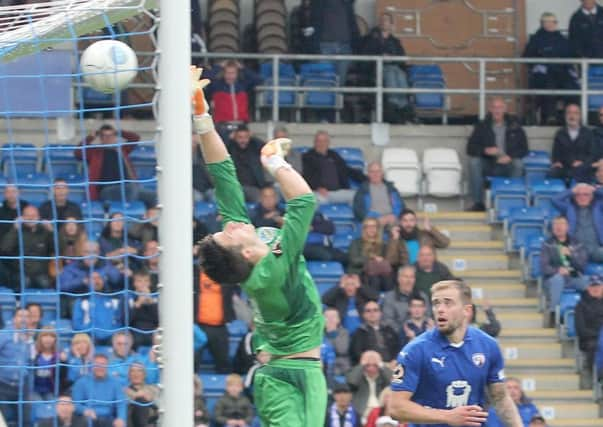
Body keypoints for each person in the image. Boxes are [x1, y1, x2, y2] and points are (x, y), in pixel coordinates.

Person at [193, 66, 327, 426]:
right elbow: (303, 201)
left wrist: (202, 118)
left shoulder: (251, 247)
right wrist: (273, 162)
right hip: (280, 378)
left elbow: (222, 172)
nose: (231, 225)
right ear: (248, 253)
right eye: (230, 233)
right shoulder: (272, 272)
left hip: (308, 369)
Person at [389, 280, 521, 427]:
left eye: (448, 303)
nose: (440, 309)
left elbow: (500, 397)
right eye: (436, 303)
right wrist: (448, 416)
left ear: (467, 311)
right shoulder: (415, 350)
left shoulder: (488, 346)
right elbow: (396, 407)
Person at [466, 97, 528, 211]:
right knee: (473, 162)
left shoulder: (515, 126)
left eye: (500, 107)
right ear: (490, 109)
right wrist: (485, 150)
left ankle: (511, 200)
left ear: (505, 109)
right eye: (494, 107)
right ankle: (478, 203)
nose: (497, 111)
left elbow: (524, 149)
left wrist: (510, 157)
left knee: (518, 164)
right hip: (489, 163)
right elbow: (470, 148)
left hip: (507, 164)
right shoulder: (482, 126)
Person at [75, 124, 155, 207]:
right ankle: (126, 212)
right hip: (106, 190)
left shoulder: (122, 150)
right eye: (105, 136)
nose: (108, 138)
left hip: (128, 188)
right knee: (131, 189)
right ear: (101, 138)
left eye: (111, 135)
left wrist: (119, 132)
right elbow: (78, 153)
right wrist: (91, 137)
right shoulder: (95, 152)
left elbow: (135, 138)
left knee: (153, 196)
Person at [522, 12, 578, 125]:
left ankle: (572, 117)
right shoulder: (536, 39)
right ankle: (550, 117)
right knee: (549, 85)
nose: (550, 24)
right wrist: (538, 66)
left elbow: (572, 56)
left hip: (562, 72)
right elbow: (527, 57)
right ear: (542, 23)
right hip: (544, 74)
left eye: (552, 22)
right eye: (546, 22)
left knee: (573, 87)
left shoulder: (562, 39)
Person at [361, 12, 412, 123]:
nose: (384, 22)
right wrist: (381, 56)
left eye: (387, 20)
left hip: (395, 67)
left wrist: (396, 59)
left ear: (391, 24)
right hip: (377, 68)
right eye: (382, 20)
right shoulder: (371, 38)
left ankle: (403, 105)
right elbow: (366, 55)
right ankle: (394, 105)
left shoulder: (395, 41)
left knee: (401, 75)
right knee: (390, 72)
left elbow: (402, 58)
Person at [540, 216, 590, 314]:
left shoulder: (577, 243)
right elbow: (544, 267)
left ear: (567, 227)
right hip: (554, 278)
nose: (558, 227)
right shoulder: (547, 244)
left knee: (590, 281)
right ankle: (553, 313)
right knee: (558, 280)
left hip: (573, 276)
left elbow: (582, 265)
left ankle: (592, 311)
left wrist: (572, 255)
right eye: (556, 224)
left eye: (561, 224)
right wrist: (558, 270)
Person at [302, 130, 365, 204]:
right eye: (319, 141)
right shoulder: (307, 157)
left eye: (324, 141)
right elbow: (305, 176)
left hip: (337, 192)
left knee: (358, 196)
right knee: (312, 200)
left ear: (328, 143)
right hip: (318, 193)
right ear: (314, 143)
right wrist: (317, 187)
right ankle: (319, 216)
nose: (321, 144)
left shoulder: (334, 155)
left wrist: (368, 180)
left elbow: (348, 170)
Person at [1, 204, 54, 289]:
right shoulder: (17, 231)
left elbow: (57, 249)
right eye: (27, 216)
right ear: (22, 217)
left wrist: (51, 231)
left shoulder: (45, 232)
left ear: (38, 217)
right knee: (24, 282)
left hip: (41, 273)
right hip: (20, 273)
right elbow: (5, 248)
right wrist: (14, 229)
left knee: (45, 284)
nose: (30, 218)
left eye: (33, 216)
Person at [308, 0, 360, 85]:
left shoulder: (347, 3)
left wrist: (356, 48)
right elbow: (311, 24)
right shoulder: (318, 2)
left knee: (340, 83)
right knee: (325, 83)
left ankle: (337, 97)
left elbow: (352, 24)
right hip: (325, 47)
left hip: (345, 48)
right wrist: (313, 47)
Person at [196, 271, 235, 373]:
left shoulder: (226, 276)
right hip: (197, 326)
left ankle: (225, 387)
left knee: (223, 362)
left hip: (220, 327)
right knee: (191, 363)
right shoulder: (192, 275)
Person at [72, 353, 127, 427]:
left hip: (108, 419)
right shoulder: (81, 382)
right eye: (97, 364)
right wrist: (85, 410)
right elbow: (75, 404)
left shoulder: (115, 383)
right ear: (92, 366)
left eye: (103, 364)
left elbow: (121, 403)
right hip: (88, 417)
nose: (100, 367)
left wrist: (121, 418)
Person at [552, 184, 603, 262]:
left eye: (586, 194)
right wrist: (572, 191)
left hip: (596, 248)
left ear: (592, 197)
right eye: (578, 195)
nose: (582, 197)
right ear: (574, 197)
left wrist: (595, 190)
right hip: (576, 250)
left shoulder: (598, 207)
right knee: (559, 256)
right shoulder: (569, 208)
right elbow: (555, 200)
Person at [0, 309, 34, 426]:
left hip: (22, 386)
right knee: (4, 421)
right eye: (20, 316)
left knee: (26, 420)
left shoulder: (30, 338)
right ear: (14, 318)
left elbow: (31, 361)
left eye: (27, 316)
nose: (24, 319)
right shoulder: (3, 335)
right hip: (3, 385)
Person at [72, 271, 124, 345]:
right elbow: (77, 324)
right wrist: (91, 331)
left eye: (99, 278)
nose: (96, 281)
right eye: (93, 278)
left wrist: (109, 332)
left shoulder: (114, 299)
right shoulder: (82, 301)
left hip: (111, 336)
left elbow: (120, 322)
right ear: (87, 281)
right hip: (89, 336)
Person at [205, 60, 262, 128]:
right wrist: (219, 67)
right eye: (227, 73)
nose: (230, 76)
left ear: (237, 73)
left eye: (233, 73)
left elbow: (259, 80)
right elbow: (205, 78)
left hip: (241, 124)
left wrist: (242, 68)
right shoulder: (217, 86)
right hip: (221, 124)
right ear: (223, 73)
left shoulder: (243, 85)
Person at [547, 104, 595, 184]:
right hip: (564, 167)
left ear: (580, 116)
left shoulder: (588, 133)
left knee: (581, 173)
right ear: (565, 115)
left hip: (582, 167)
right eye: (569, 113)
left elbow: (592, 154)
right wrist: (556, 161)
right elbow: (555, 152)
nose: (572, 116)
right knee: (552, 173)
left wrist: (583, 162)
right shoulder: (560, 133)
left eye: (575, 113)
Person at [58, 240, 123, 295]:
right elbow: (62, 286)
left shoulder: (106, 265)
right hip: (78, 303)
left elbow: (118, 280)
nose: (91, 255)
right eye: (87, 252)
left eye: (94, 252)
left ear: (99, 253)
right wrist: (83, 281)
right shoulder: (71, 268)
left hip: (105, 301)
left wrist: (103, 280)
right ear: (81, 253)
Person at [348, 218, 394, 292]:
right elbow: (354, 260)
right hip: (361, 272)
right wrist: (371, 258)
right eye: (368, 226)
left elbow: (389, 260)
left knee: (388, 277)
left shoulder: (382, 244)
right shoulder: (356, 243)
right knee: (374, 279)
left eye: (374, 226)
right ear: (364, 229)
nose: (371, 229)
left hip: (380, 274)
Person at [346, 350, 393, 423]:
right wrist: (362, 365)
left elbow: (392, 381)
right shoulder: (358, 376)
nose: (371, 368)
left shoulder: (383, 377)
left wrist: (382, 365)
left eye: (375, 365)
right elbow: (352, 381)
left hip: (380, 414)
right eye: (367, 365)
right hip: (362, 413)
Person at [226, 125, 268, 203]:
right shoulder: (231, 148)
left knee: (264, 199)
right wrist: (229, 138)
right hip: (235, 187)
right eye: (240, 137)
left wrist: (253, 137)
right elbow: (220, 149)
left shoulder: (254, 148)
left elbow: (266, 148)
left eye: (246, 137)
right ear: (235, 138)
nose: (243, 140)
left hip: (254, 187)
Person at [382, 266, 429, 335]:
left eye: (411, 277)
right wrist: (404, 333)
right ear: (398, 279)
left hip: (422, 336)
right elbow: (388, 321)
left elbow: (428, 316)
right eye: (405, 277)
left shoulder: (422, 296)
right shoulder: (389, 297)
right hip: (398, 337)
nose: (409, 280)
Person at [350, 300, 400, 365]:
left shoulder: (389, 330)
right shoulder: (359, 333)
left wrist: (395, 360)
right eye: (368, 311)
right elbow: (357, 354)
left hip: (391, 365)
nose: (372, 313)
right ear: (364, 315)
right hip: (370, 366)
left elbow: (398, 348)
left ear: (380, 313)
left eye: (375, 310)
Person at [575, 276, 603, 385]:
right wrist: (600, 335)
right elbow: (581, 330)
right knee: (595, 347)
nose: (595, 288)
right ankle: (598, 379)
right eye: (593, 286)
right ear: (588, 288)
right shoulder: (581, 305)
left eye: (598, 286)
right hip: (591, 340)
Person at [128, 270, 159, 349]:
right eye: (139, 281)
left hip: (153, 330)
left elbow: (159, 319)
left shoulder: (156, 296)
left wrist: (151, 302)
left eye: (146, 281)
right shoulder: (128, 297)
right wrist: (138, 303)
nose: (143, 284)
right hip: (134, 330)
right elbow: (126, 320)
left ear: (150, 283)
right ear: (134, 283)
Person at [31, 327, 61, 401]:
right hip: (34, 391)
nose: (48, 339)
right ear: (40, 338)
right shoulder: (34, 355)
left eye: (51, 336)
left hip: (51, 391)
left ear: (55, 340)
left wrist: (64, 361)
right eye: (45, 335)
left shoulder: (59, 357)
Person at [124, 363, 159, 427]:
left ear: (144, 374)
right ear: (129, 375)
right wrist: (136, 395)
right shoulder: (124, 391)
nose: (136, 374)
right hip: (132, 422)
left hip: (151, 421)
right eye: (132, 371)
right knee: (139, 401)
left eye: (139, 371)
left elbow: (159, 405)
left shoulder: (153, 389)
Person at [323, 307, 352, 375]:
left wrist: (331, 332)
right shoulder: (318, 333)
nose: (330, 319)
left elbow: (342, 350)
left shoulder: (344, 333)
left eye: (333, 316)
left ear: (338, 319)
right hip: (323, 365)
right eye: (327, 317)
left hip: (341, 366)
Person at [192, 132, 214, 202]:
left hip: (207, 187)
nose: (194, 143)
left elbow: (209, 172)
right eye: (192, 142)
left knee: (215, 197)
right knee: (198, 198)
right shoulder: (183, 157)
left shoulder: (203, 153)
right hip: (193, 188)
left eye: (195, 142)